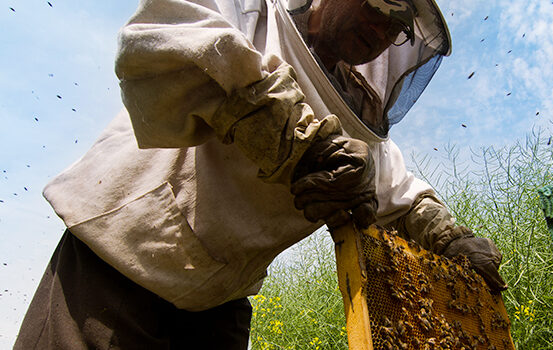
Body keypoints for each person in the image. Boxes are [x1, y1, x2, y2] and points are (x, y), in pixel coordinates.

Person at [15, 0, 507, 348]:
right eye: (379, 5)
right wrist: (291, 138)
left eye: (399, 28)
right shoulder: (254, 13)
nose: (382, 31)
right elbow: (166, 40)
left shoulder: (362, 119)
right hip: (121, 262)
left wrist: (450, 240)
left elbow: (399, 196)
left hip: (219, 304)